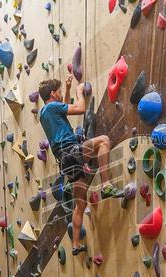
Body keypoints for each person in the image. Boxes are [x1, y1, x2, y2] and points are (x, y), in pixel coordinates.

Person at [39, 76, 119, 255]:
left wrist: (67, 90)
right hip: (71, 151)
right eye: (58, 91)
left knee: (80, 205)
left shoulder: (45, 113)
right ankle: (106, 184)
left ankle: (75, 244)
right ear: (52, 94)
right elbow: (81, 109)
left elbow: (65, 109)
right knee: (103, 141)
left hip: (65, 162)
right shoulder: (52, 107)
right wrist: (78, 91)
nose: (60, 94)